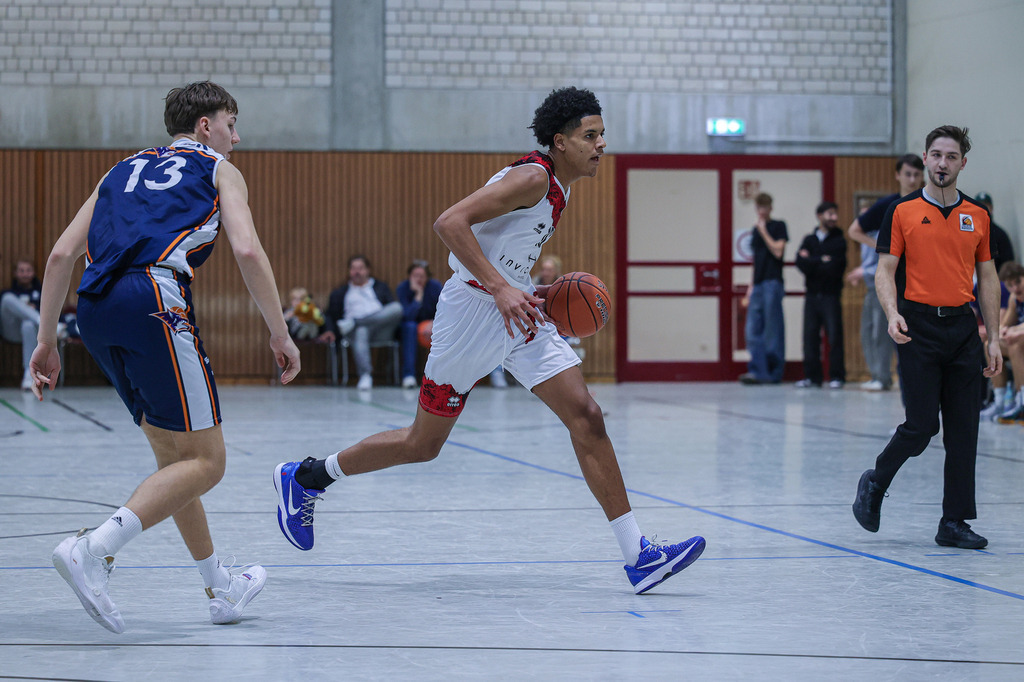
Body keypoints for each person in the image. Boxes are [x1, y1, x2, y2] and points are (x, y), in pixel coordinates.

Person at [274, 86, 705, 595]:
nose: (600, 145)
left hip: (517, 312)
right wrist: (502, 287)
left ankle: (639, 556)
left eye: (602, 134)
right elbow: (449, 223)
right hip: (472, 316)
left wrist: (523, 286)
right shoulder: (532, 176)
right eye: (590, 136)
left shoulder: (557, 187)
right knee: (422, 444)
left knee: (586, 415)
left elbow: (504, 252)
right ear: (560, 142)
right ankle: (306, 477)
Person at [29, 81, 301, 633]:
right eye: (231, 123)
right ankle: (95, 549)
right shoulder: (217, 169)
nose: (236, 136)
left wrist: (47, 341)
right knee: (209, 463)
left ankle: (219, 586)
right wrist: (280, 332)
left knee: (175, 460)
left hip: (95, 307)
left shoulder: (119, 171)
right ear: (206, 126)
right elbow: (247, 249)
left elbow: (61, 254)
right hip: (153, 296)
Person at [852, 125, 1000, 550]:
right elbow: (884, 270)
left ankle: (953, 522)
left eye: (951, 156)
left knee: (963, 431)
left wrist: (990, 337)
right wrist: (892, 313)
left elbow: (987, 277)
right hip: (916, 326)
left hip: (962, 328)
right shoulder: (900, 211)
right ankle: (876, 482)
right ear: (925, 159)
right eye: (935, 155)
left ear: (962, 164)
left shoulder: (979, 216)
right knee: (920, 427)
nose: (941, 163)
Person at [847, 154, 925, 391]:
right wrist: (886, 249)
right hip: (890, 279)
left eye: (916, 175)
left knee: (916, 337)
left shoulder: (927, 203)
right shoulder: (888, 206)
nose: (912, 180)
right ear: (898, 175)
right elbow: (854, 230)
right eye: (907, 174)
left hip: (918, 282)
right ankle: (881, 376)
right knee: (879, 331)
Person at [320, 255, 403, 390]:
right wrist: (329, 330)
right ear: (349, 271)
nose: (357, 272)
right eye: (353, 268)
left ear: (368, 270)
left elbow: (391, 311)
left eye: (360, 268)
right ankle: (365, 375)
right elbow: (330, 315)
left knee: (397, 308)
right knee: (361, 331)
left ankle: (356, 322)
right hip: (354, 333)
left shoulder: (380, 287)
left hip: (381, 330)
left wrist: (356, 322)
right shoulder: (340, 292)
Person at [794, 202, 847, 388]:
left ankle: (836, 377)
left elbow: (835, 267)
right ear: (819, 215)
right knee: (810, 337)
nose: (834, 218)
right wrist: (821, 260)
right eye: (830, 214)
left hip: (831, 295)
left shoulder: (839, 240)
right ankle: (812, 377)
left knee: (834, 337)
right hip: (811, 296)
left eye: (835, 214)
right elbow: (800, 263)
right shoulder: (809, 239)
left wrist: (812, 260)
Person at [739, 193, 788, 385]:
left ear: (770, 208)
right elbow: (756, 262)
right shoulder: (755, 231)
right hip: (758, 284)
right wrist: (750, 287)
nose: (761, 211)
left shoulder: (778, 226)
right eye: (759, 207)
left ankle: (774, 373)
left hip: (772, 283)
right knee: (752, 330)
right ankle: (758, 371)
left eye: (765, 207)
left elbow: (778, 250)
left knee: (772, 329)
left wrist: (764, 231)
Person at [395, 259, 442, 388]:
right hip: (409, 326)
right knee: (410, 327)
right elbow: (407, 315)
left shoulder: (436, 287)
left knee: (444, 330)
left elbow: (444, 311)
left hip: (432, 324)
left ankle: (439, 377)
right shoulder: (403, 288)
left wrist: (433, 323)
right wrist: (418, 296)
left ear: (427, 277)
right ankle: (408, 375)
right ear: (409, 277)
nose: (418, 279)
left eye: (422, 276)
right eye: (415, 276)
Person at [1, 259, 46, 390]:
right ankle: (38, 319)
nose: (25, 274)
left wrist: (34, 309)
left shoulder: (42, 293)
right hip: (11, 331)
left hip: (34, 333)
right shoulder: (8, 292)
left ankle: (28, 374)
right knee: (7, 299)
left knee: (27, 324)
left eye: (28, 270)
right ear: (15, 273)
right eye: (21, 271)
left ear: (33, 273)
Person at [989, 261, 1024, 422]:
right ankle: (1000, 400)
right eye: (1010, 285)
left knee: (1015, 345)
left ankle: (1021, 399)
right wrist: (1002, 331)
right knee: (991, 345)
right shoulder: (1013, 299)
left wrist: (1014, 331)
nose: (1015, 288)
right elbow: (1005, 324)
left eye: (1018, 282)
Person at [975, 192, 1014, 273]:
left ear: (991, 208)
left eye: (986, 206)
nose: (983, 209)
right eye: (980, 206)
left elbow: (1008, 263)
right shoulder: (968, 233)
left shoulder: (1000, 235)